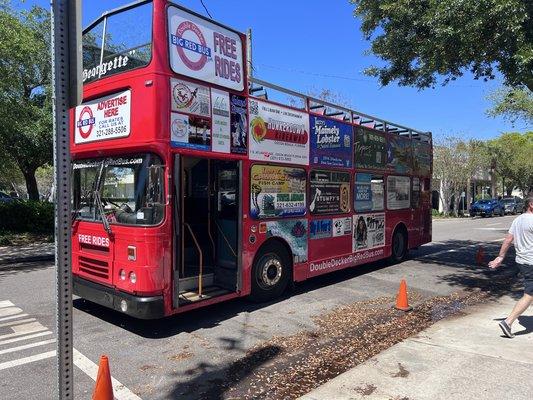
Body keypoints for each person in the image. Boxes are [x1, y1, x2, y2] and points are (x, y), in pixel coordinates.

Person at [488, 192, 533, 338]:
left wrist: (500, 257)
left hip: (522, 261)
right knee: (529, 295)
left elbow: (508, 240)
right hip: (531, 262)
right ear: (531, 204)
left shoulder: (518, 220)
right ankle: (508, 322)